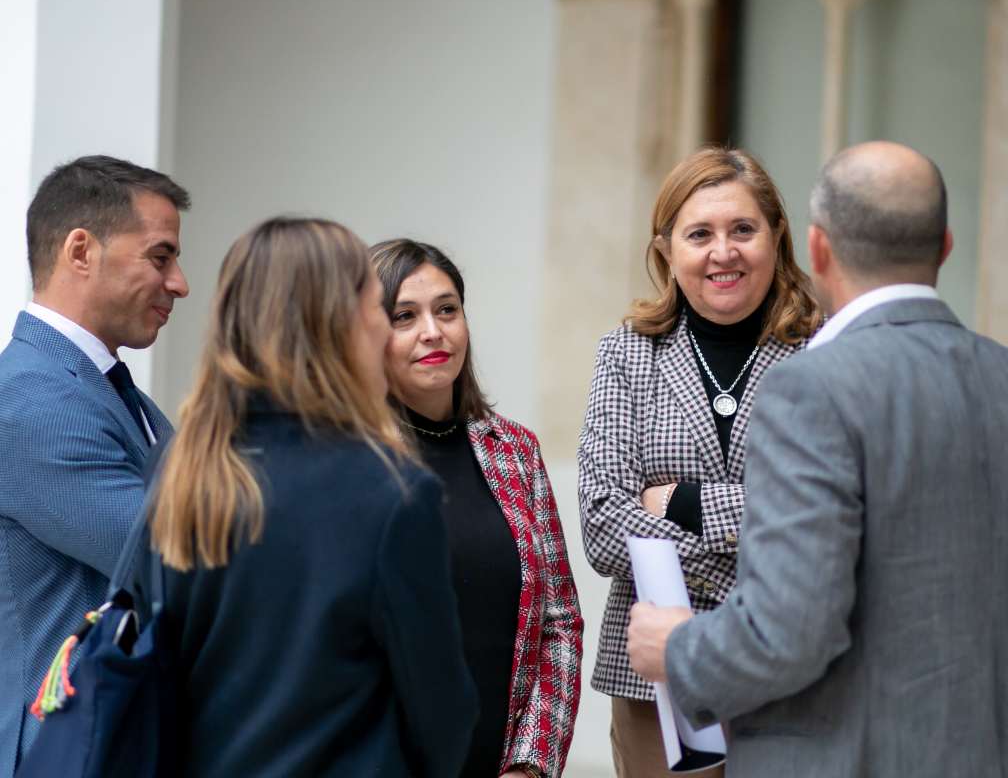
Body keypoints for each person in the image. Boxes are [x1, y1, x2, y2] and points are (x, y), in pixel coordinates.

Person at [626, 141, 1008, 776]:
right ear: (945, 247)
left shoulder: (807, 389)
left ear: (817, 249)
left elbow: (788, 635)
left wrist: (677, 647)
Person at [135, 218, 477, 776]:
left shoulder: (179, 465)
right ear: (338, 325)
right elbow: (441, 710)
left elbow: (151, 659)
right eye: (379, 308)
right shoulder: (392, 491)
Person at [577, 146, 822, 776]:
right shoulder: (626, 355)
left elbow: (835, 512)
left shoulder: (825, 351)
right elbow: (605, 530)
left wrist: (681, 502)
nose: (723, 252)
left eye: (743, 229)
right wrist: (761, 527)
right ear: (666, 249)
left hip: (791, 669)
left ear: (776, 235)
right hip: (656, 685)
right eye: (699, 234)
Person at [0, 155, 190, 775]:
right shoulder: (31, 401)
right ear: (81, 250)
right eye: (160, 257)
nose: (180, 283)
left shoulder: (112, 392)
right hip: (68, 752)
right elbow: (175, 559)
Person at [370, 238, 583, 778]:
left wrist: (531, 765)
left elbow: (559, 624)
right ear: (367, 334)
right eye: (404, 316)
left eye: (447, 310)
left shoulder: (514, 450)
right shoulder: (349, 456)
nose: (433, 332)